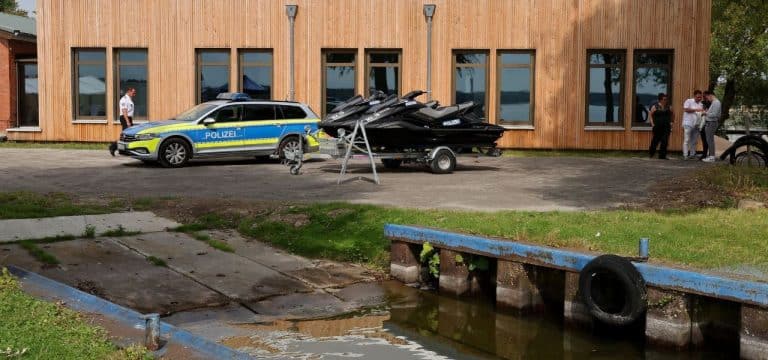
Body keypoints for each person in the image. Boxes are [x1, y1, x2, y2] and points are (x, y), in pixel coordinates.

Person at [109, 88, 136, 156]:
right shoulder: (124, 99)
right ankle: (113, 147)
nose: (134, 94)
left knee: (127, 135)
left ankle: (122, 150)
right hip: (125, 118)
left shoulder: (129, 99)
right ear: (129, 91)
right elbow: (124, 111)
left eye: (134, 93)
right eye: (133, 93)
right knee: (126, 135)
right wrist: (127, 121)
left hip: (128, 118)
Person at [648, 93, 673, 159]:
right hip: (657, 126)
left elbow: (673, 114)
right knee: (655, 140)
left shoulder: (669, 107)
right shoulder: (655, 107)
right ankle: (651, 153)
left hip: (666, 126)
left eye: (666, 99)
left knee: (665, 141)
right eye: (664, 99)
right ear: (660, 100)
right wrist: (652, 124)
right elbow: (650, 115)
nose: (665, 101)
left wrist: (671, 122)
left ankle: (662, 155)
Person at [682, 90, 704, 159]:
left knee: (694, 141)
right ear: (694, 96)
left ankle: (692, 154)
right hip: (688, 123)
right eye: (698, 97)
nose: (699, 98)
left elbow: (701, 113)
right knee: (687, 140)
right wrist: (696, 110)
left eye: (700, 97)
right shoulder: (689, 101)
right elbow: (686, 109)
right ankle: (685, 155)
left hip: (697, 124)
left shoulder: (701, 104)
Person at [701, 90, 721, 162]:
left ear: (710, 95)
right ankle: (711, 156)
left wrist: (705, 113)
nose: (707, 99)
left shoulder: (716, 103)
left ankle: (712, 157)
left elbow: (715, 114)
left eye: (706, 97)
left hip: (711, 123)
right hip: (710, 122)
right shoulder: (714, 102)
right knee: (709, 140)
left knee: (710, 140)